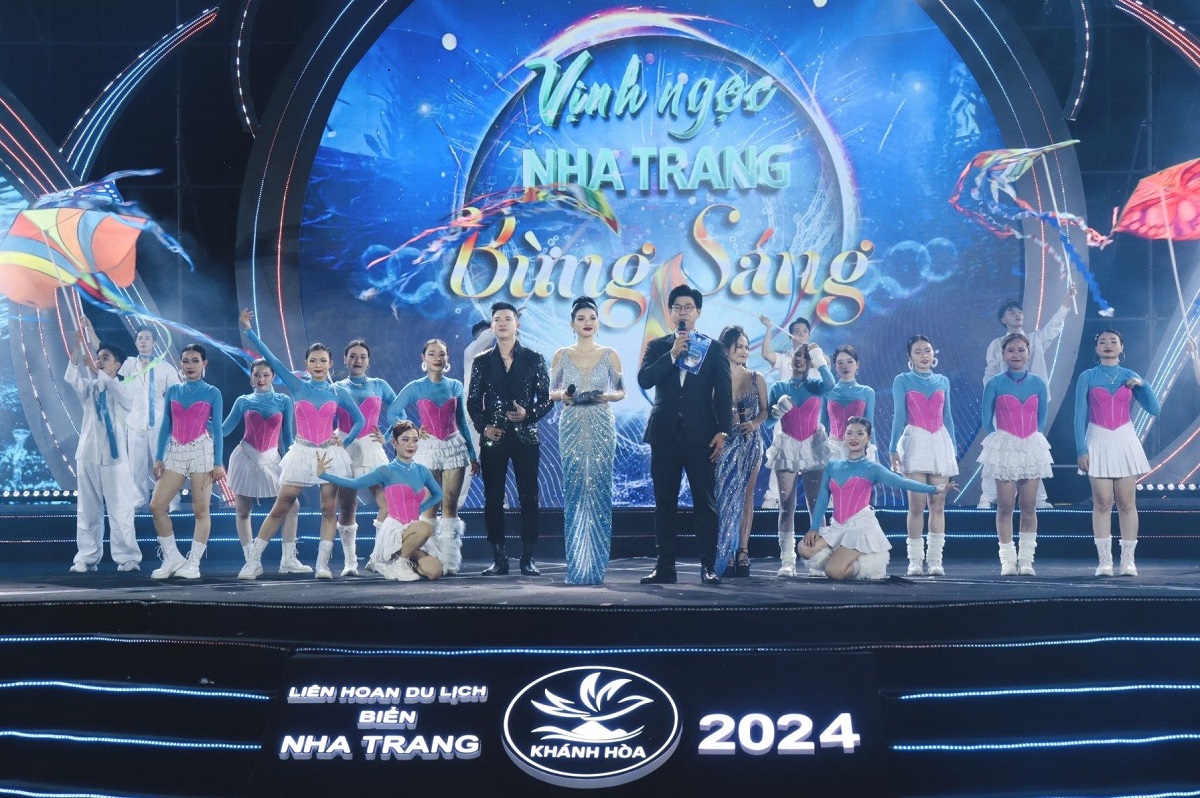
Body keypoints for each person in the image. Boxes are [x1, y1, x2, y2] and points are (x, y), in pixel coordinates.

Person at [236, 310, 365, 580]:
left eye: (323, 360)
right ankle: (253, 562)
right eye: (313, 360)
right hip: (302, 451)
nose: (318, 364)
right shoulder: (297, 385)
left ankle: (322, 565)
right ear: (306, 364)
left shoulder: (338, 391)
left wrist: (344, 440)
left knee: (328, 509)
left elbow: (360, 420)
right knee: (281, 506)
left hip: (329, 455)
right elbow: (271, 358)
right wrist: (248, 331)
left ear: (330, 364)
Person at [638, 284, 732, 585]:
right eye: (677, 307)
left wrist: (723, 431)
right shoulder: (658, 346)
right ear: (670, 312)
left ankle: (708, 566)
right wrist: (672, 354)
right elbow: (644, 379)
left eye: (688, 307)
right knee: (664, 503)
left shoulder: (713, 348)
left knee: (705, 503)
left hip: (701, 436)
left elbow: (724, 393)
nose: (682, 312)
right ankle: (665, 566)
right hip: (664, 434)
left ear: (698, 312)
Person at [799, 417, 957, 580]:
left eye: (860, 433)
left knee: (834, 572)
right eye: (849, 433)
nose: (853, 438)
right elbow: (823, 498)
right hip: (838, 527)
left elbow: (902, 482)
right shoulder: (833, 466)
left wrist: (934, 489)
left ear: (868, 438)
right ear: (844, 437)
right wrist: (814, 528)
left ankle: (866, 564)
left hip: (859, 529)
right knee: (804, 548)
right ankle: (841, 555)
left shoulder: (872, 468)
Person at [467, 301, 552, 576]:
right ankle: (498, 558)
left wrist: (528, 413)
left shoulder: (534, 358)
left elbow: (547, 399)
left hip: (526, 437)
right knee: (492, 498)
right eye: (497, 319)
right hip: (494, 438)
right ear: (492, 326)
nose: (502, 323)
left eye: (507, 318)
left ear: (517, 324)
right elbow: (472, 402)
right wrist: (484, 428)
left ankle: (528, 557)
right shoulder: (482, 361)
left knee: (529, 496)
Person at [549, 296, 626, 585]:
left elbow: (621, 391)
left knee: (599, 488)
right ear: (572, 324)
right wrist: (564, 395)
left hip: (601, 423)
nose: (587, 323)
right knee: (575, 490)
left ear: (598, 322)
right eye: (581, 318)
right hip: (571, 424)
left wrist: (604, 396)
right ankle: (577, 565)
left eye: (592, 318)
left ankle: (595, 565)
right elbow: (551, 392)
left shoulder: (609, 353)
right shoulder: (561, 354)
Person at [387, 338, 480, 575]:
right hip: (427, 450)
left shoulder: (455, 386)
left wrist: (471, 453)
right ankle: (430, 559)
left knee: (450, 506)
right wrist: (413, 431)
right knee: (429, 507)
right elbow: (392, 412)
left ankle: (449, 561)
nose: (437, 358)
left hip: (453, 447)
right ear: (424, 358)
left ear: (447, 358)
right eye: (432, 354)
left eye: (442, 354)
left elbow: (461, 421)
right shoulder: (415, 387)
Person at [977, 285, 1075, 509]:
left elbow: (1055, 326)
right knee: (997, 449)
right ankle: (988, 495)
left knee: (1033, 448)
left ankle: (1038, 497)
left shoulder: (1035, 339)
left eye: (1019, 311)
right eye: (1011, 312)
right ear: (1003, 319)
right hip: (1003, 403)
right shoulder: (996, 344)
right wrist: (993, 393)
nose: (1017, 314)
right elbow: (989, 371)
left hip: (1031, 401)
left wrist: (1067, 302)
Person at [1075, 329, 1161, 576]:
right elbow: (1079, 416)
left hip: (1124, 439)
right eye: (1102, 341)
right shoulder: (1087, 376)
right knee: (1102, 501)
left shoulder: (1130, 376)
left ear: (1121, 348)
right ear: (1096, 348)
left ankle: (1128, 561)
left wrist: (1143, 385)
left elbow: (1154, 409)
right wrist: (1081, 449)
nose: (1108, 344)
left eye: (1113, 341)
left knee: (1126, 502)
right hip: (1097, 439)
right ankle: (1104, 561)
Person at [316, 421, 444, 581]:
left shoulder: (422, 470)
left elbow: (438, 494)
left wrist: (420, 509)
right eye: (405, 440)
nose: (411, 444)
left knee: (434, 571)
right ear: (394, 442)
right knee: (426, 527)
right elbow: (356, 483)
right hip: (395, 530)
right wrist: (324, 475)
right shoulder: (386, 470)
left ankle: (397, 562)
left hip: (414, 532)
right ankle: (397, 564)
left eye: (415, 440)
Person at [221, 358, 308, 574]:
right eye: (257, 375)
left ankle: (288, 559)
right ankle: (251, 561)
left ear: (273, 377)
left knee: (292, 506)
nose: (261, 379)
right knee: (243, 510)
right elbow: (224, 430)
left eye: (266, 375)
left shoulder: (283, 400)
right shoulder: (243, 401)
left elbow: (287, 436)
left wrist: (293, 462)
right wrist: (202, 420)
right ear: (251, 378)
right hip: (245, 456)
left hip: (272, 459)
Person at [66, 324, 140, 573]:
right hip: (87, 455)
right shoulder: (91, 388)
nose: (98, 361)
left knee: (121, 510)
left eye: (105, 358)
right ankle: (87, 557)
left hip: (114, 458)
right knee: (87, 511)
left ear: (117, 365)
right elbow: (73, 378)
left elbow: (122, 397)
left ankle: (128, 558)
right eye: (98, 358)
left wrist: (99, 373)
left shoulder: (124, 387)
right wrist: (76, 347)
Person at [978, 334, 1053, 575]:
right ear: (1003, 354)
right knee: (1005, 506)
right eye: (1011, 350)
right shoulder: (995, 383)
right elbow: (986, 419)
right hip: (1005, 448)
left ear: (1028, 353)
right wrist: (1001, 443)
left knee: (1029, 506)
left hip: (1030, 446)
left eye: (1021, 349)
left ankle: (1027, 560)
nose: (1016, 354)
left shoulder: (1038, 383)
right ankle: (1008, 560)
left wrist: (1029, 441)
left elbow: (1041, 419)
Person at [148, 344, 224, 580]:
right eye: (185, 361)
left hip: (201, 451)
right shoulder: (173, 391)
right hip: (175, 451)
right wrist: (159, 457)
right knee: (156, 506)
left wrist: (218, 462)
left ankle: (193, 564)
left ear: (204, 363)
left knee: (200, 510)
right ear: (180, 364)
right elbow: (165, 425)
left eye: (195, 360)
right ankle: (173, 558)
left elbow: (218, 430)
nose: (190, 365)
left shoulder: (213, 392)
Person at [764, 344, 835, 577]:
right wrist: (776, 412)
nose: (800, 359)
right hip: (787, 446)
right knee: (786, 506)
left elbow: (831, 384)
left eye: (805, 357)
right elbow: (768, 423)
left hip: (813, 447)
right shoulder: (779, 387)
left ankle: (819, 560)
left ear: (810, 362)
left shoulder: (815, 385)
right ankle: (787, 561)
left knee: (816, 505)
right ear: (790, 358)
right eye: (797, 355)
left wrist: (817, 356)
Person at [890, 335, 958, 577]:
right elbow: (899, 415)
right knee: (916, 505)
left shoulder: (943, 381)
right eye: (918, 351)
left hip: (940, 442)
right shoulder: (902, 380)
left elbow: (948, 417)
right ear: (910, 356)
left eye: (927, 350)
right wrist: (892, 447)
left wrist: (953, 450)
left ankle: (935, 560)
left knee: (938, 505)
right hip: (915, 442)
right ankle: (915, 561)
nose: (924, 355)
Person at [334, 340, 396, 577]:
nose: (357, 360)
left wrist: (387, 437)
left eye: (362, 356)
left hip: (372, 448)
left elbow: (398, 412)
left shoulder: (379, 385)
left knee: (388, 505)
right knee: (347, 505)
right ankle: (350, 562)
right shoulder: (336, 387)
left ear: (369, 361)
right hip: (345, 446)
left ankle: (376, 558)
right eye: (352, 356)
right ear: (345, 360)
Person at [714, 325, 767, 578]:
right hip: (725, 443)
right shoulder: (715, 379)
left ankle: (743, 550)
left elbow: (765, 410)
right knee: (724, 496)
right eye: (739, 347)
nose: (744, 351)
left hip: (750, 443)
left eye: (747, 347)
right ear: (726, 349)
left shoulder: (756, 378)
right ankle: (726, 550)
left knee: (747, 495)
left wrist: (754, 423)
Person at [118, 325, 180, 511]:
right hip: (135, 423)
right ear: (135, 342)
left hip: (159, 424)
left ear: (154, 342)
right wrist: (89, 332)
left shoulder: (165, 367)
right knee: (136, 466)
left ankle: (172, 502)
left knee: (165, 464)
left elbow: (177, 393)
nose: (143, 341)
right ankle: (138, 500)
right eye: (140, 338)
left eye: (147, 338)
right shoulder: (129, 365)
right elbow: (108, 356)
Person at [758, 315, 812, 509]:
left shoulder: (816, 359)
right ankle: (774, 497)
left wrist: (816, 357)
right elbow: (766, 353)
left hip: (808, 420)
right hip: (784, 419)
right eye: (797, 332)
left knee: (811, 460)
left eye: (805, 332)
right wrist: (768, 328)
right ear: (791, 336)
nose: (801, 335)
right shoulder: (784, 359)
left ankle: (815, 499)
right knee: (781, 457)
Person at [460, 319, 496, 508]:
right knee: (468, 458)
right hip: (472, 413)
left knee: (497, 459)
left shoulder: (500, 357)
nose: (486, 341)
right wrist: (504, 321)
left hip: (496, 413)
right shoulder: (471, 352)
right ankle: (455, 505)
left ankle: (499, 502)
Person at [822, 345, 877, 462]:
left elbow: (870, 425)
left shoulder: (867, 392)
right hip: (833, 449)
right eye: (840, 363)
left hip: (859, 448)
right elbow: (822, 426)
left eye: (849, 361)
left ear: (857, 364)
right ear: (835, 366)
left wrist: (875, 455)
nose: (845, 366)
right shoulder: (827, 391)